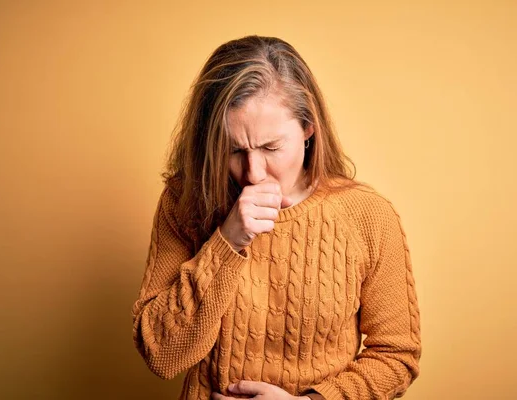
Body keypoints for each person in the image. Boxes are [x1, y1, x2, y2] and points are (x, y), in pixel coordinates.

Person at [131, 35, 421, 400]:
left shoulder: (368, 216)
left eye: (271, 147)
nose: (253, 173)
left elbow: (397, 357)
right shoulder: (185, 201)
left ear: (308, 129)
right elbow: (162, 355)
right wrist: (226, 241)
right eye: (233, 150)